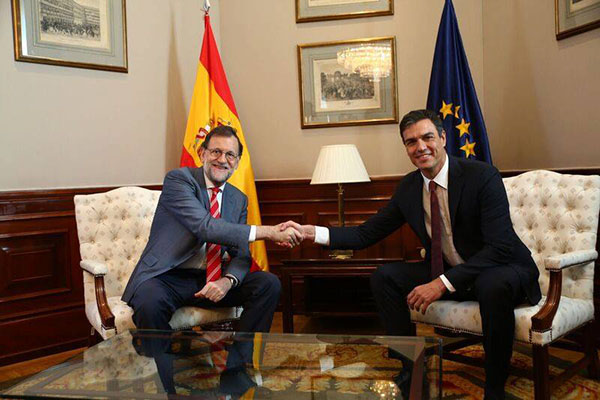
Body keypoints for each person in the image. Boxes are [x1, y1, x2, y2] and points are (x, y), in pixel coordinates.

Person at [281, 109, 541, 399]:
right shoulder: (408, 188)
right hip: (452, 272)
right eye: (411, 142)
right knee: (385, 277)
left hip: (502, 269)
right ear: (406, 148)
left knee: (491, 285)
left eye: (427, 137)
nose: (421, 147)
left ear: (443, 138)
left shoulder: (481, 176)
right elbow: (365, 234)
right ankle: (410, 369)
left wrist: (441, 283)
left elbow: (499, 247)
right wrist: (311, 232)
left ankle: (494, 388)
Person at [122, 125, 302, 334]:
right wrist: (270, 232)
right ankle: (163, 365)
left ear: (237, 162)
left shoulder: (238, 199)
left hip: (212, 280)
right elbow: (205, 227)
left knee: (268, 284)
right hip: (169, 276)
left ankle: (239, 363)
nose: (222, 159)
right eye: (216, 151)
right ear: (202, 153)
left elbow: (241, 254)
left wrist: (227, 281)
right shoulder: (179, 180)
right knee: (149, 303)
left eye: (230, 155)